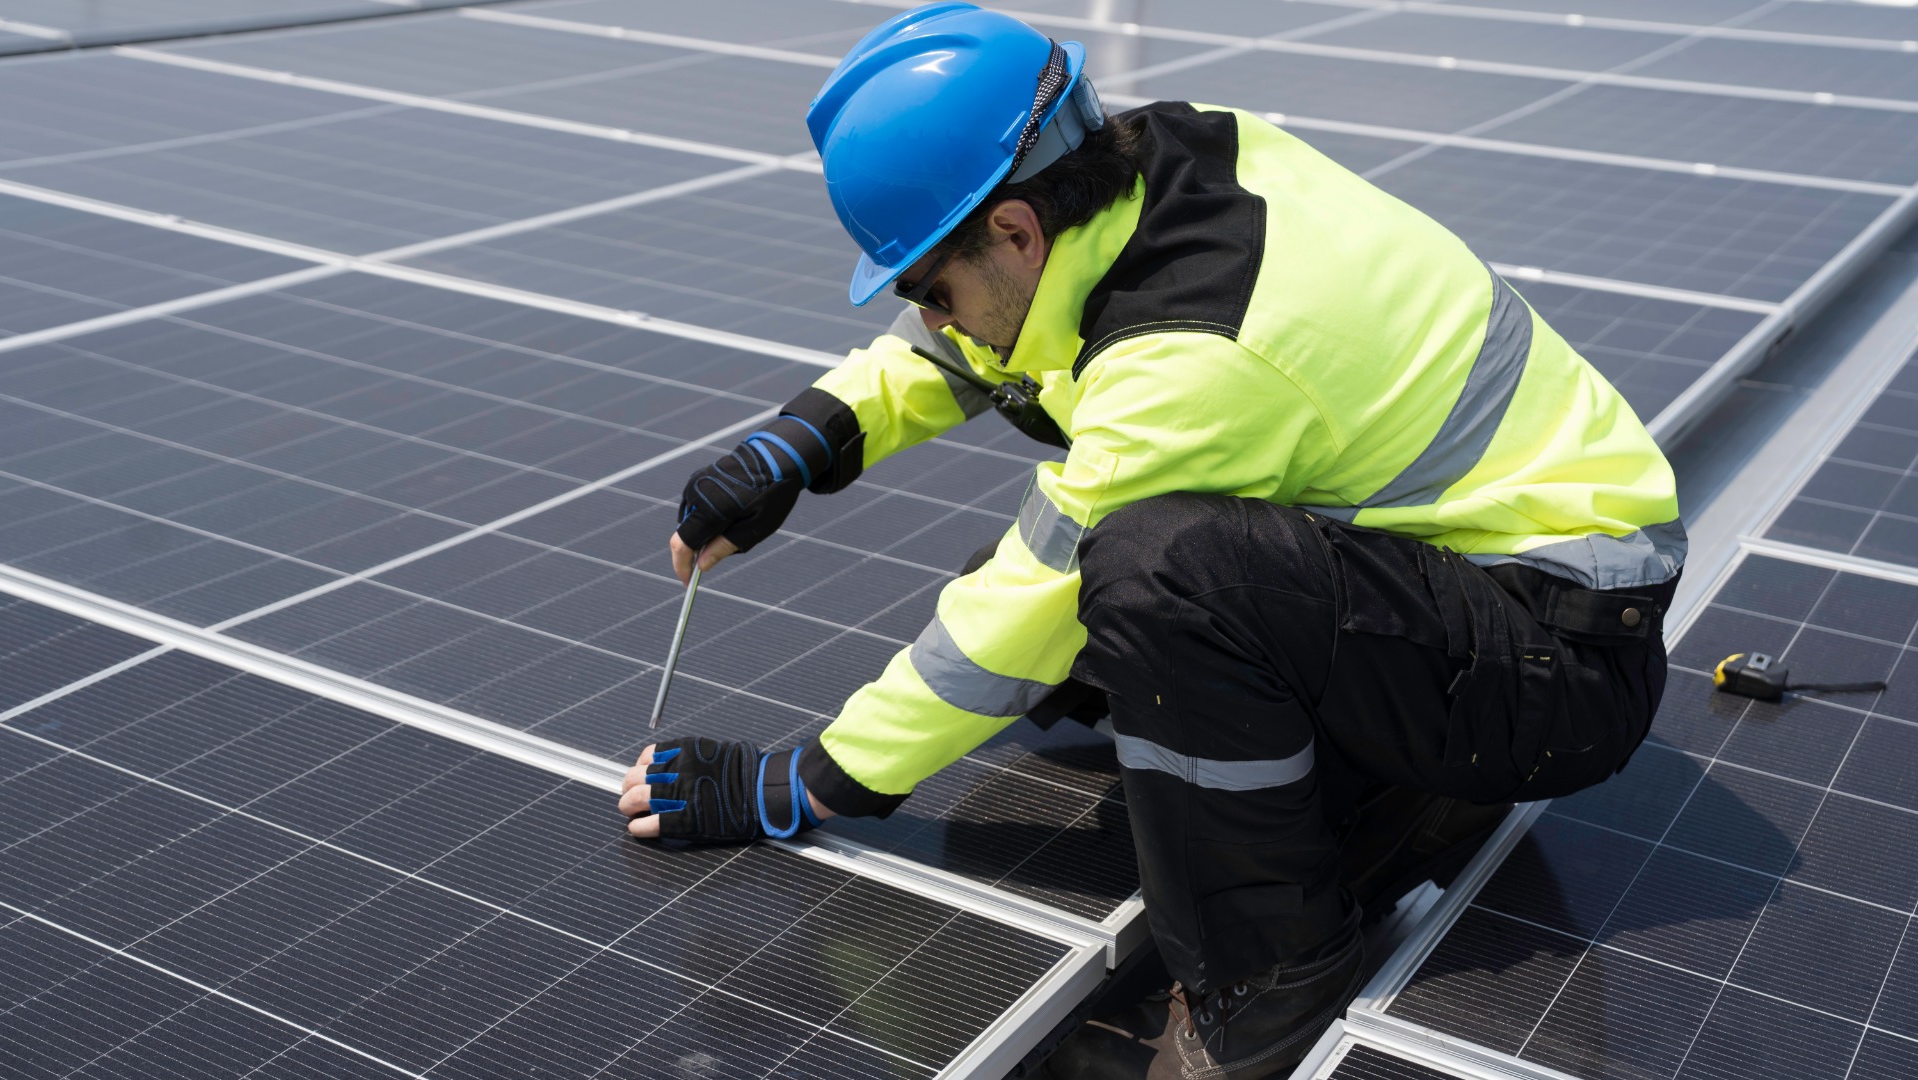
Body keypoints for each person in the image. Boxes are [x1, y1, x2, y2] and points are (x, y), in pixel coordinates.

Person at [617, 3, 1684, 1075]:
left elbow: (1021, 607)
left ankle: (1269, 975)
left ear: (1018, 229)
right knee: (1115, 612)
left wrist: (805, 783)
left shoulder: (1192, 354)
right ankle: (1394, 781)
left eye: (929, 289)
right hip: (1478, 593)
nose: (932, 320)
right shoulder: (1155, 163)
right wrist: (803, 442)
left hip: (1553, 670)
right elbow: (992, 338)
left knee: (1144, 579)